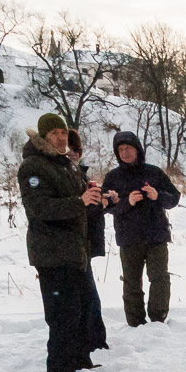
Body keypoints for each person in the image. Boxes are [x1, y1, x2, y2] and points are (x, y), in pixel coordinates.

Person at [18, 112, 102, 372]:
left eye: (63, 133)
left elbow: (81, 200)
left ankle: (78, 358)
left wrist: (99, 198)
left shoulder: (66, 164)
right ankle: (60, 368)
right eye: (54, 134)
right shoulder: (33, 167)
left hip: (74, 250)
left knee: (78, 309)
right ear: (43, 137)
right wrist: (80, 201)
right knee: (60, 313)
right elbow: (39, 207)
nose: (60, 137)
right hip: (52, 251)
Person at [102, 131, 180, 327]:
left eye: (128, 148)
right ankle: (135, 322)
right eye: (120, 149)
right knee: (131, 282)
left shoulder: (154, 172)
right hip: (128, 238)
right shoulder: (113, 177)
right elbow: (104, 206)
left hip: (156, 236)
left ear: (137, 149)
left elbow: (174, 198)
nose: (125, 152)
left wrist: (157, 196)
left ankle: (158, 319)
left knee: (160, 278)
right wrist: (127, 202)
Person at [65, 130, 109, 354]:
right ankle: (91, 342)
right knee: (85, 296)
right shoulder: (66, 176)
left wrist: (104, 201)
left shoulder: (80, 175)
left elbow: (87, 210)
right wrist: (96, 203)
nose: (73, 154)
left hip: (86, 243)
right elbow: (75, 211)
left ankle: (95, 340)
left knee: (89, 296)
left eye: (77, 150)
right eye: (69, 150)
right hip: (72, 245)